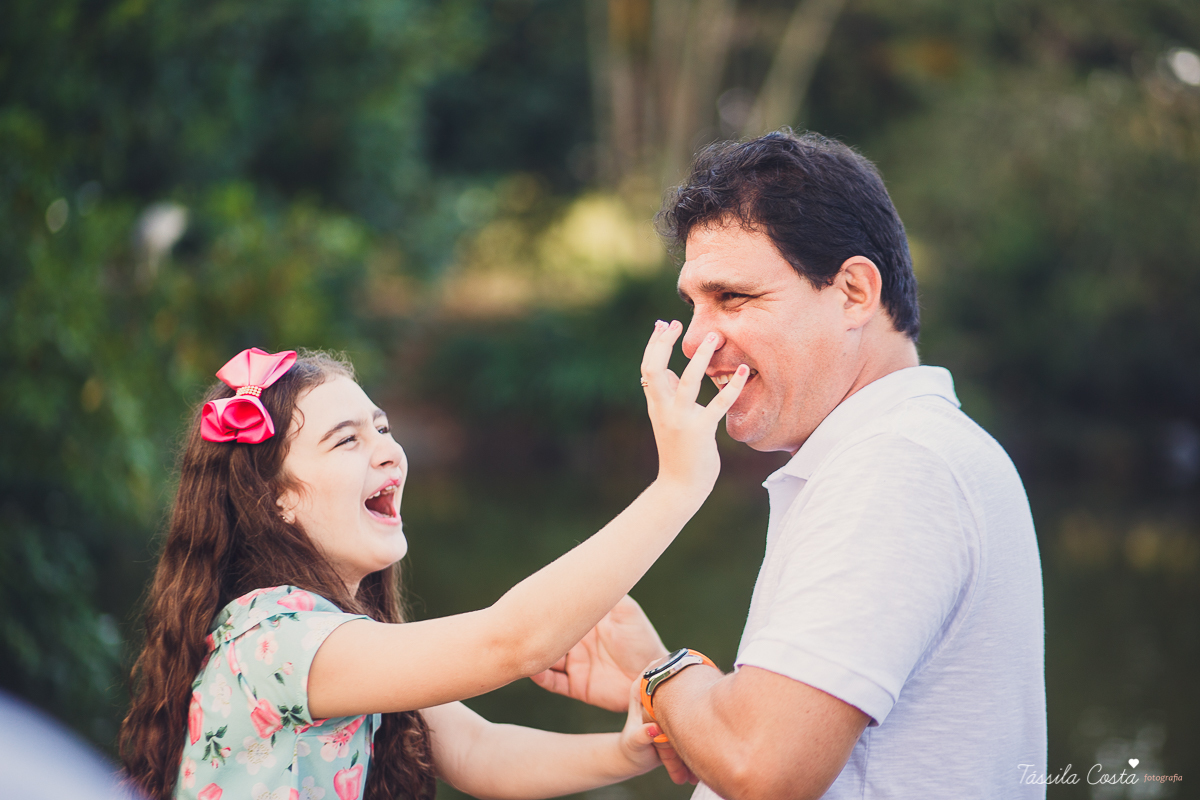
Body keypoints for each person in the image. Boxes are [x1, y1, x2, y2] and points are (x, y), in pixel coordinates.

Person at [533, 131, 1048, 799]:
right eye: (694, 304)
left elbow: (762, 764)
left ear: (855, 292)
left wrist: (655, 672)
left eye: (734, 298)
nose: (696, 340)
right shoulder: (894, 454)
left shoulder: (897, 466)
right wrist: (661, 685)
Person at [119, 332, 750, 800]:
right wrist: (678, 487)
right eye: (348, 439)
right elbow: (511, 641)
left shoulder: (333, 640)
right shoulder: (275, 640)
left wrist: (624, 751)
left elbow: (480, 750)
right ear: (275, 497)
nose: (390, 453)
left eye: (383, 428)